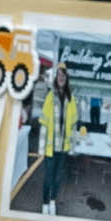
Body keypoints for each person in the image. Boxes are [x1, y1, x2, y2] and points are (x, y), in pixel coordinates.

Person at [38, 57, 80, 209]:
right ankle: (44, 203)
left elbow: (73, 126)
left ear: (67, 79)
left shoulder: (71, 99)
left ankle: (52, 201)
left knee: (58, 178)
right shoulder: (50, 97)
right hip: (51, 148)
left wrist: (72, 147)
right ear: (56, 78)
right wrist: (41, 148)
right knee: (48, 178)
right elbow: (44, 124)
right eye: (59, 75)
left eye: (64, 75)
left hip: (63, 148)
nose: (61, 78)